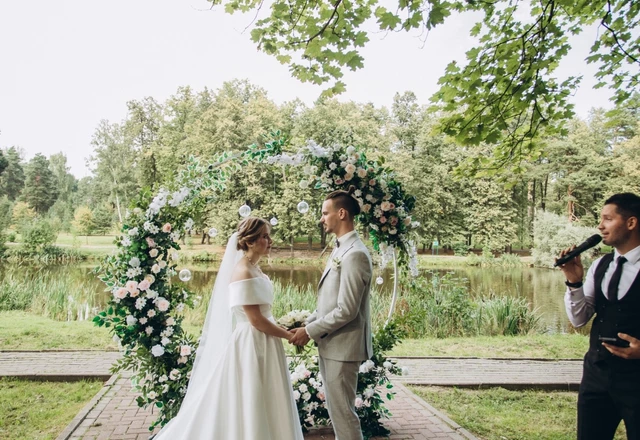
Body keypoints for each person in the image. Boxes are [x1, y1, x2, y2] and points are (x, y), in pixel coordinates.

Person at [153, 217, 304, 440]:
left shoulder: (256, 268)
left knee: (269, 395)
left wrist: (283, 326)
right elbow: (255, 320)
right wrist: (288, 334)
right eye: (264, 236)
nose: (269, 241)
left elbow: (264, 314)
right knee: (251, 394)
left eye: (268, 235)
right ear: (250, 242)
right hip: (252, 342)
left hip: (266, 339)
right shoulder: (242, 271)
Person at [290, 187, 373, 440]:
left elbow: (346, 310)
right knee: (338, 413)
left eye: (325, 213)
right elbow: (330, 302)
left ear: (342, 213)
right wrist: (307, 323)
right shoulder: (339, 249)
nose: (322, 218)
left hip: (343, 347)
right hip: (332, 344)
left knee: (344, 415)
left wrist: (310, 331)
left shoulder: (355, 254)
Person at [558, 192, 640, 440]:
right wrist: (574, 283)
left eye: (607, 219)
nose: (599, 226)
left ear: (631, 223)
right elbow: (579, 319)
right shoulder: (600, 266)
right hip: (597, 376)